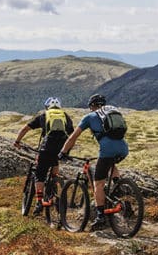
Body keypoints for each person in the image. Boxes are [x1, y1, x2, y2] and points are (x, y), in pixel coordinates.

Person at [60, 93, 129, 231]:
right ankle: (118, 187)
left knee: (98, 183)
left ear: (92, 106)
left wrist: (63, 152)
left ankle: (100, 216)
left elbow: (73, 137)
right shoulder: (113, 111)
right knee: (110, 163)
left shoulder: (89, 117)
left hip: (108, 150)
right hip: (123, 148)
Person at [13, 96, 72, 213]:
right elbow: (72, 135)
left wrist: (17, 141)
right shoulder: (66, 117)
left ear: (47, 107)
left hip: (46, 149)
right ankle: (55, 181)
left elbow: (25, 129)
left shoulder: (44, 116)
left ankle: (39, 202)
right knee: (55, 162)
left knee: (40, 174)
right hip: (60, 149)